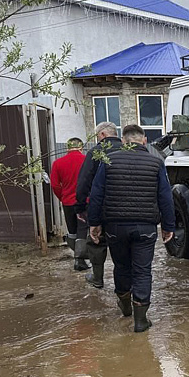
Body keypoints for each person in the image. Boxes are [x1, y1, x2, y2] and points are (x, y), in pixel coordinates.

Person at [87, 124, 175, 332]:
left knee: (121, 266)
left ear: (124, 141)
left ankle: (125, 305)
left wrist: (94, 223)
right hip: (145, 226)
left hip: (115, 226)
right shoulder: (156, 162)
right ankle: (140, 320)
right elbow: (165, 197)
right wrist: (168, 226)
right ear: (144, 140)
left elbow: (97, 194)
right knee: (143, 271)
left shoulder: (109, 161)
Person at [75, 122, 122, 289]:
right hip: (124, 208)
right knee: (122, 244)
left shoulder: (96, 152)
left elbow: (84, 182)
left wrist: (79, 207)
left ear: (102, 135)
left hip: (100, 207)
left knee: (96, 240)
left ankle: (97, 277)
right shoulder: (127, 150)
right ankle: (123, 283)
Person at [50, 137, 89, 271]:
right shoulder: (87, 161)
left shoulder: (57, 163)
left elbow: (55, 185)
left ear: (67, 148)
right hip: (84, 202)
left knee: (72, 231)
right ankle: (80, 260)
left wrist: (63, 197)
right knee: (82, 230)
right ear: (81, 147)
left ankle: (76, 256)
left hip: (67, 202)